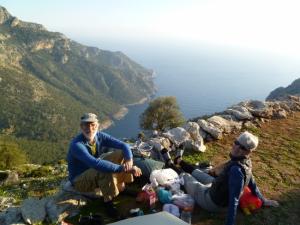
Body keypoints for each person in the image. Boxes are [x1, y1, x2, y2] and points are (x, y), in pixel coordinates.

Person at [162, 131, 279, 225]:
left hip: (212, 201)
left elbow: (234, 200)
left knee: (186, 176)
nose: (236, 147)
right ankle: (179, 160)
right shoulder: (246, 162)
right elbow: (252, 183)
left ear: (249, 152)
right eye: (236, 142)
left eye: (242, 147)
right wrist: (264, 200)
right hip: (217, 187)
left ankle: (170, 164)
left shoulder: (236, 171)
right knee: (198, 173)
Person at [67, 113, 142, 218]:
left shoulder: (98, 136)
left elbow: (123, 145)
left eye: (92, 124)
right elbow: (96, 164)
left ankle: (121, 188)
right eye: (86, 125)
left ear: (97, 125)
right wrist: (124, 169)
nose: (90, 128)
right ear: (81, 126)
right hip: (79, 180)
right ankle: (108, 201)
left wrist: (129, 160)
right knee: (103, 169)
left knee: (121, 153)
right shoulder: (77, 145)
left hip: (92, 171)